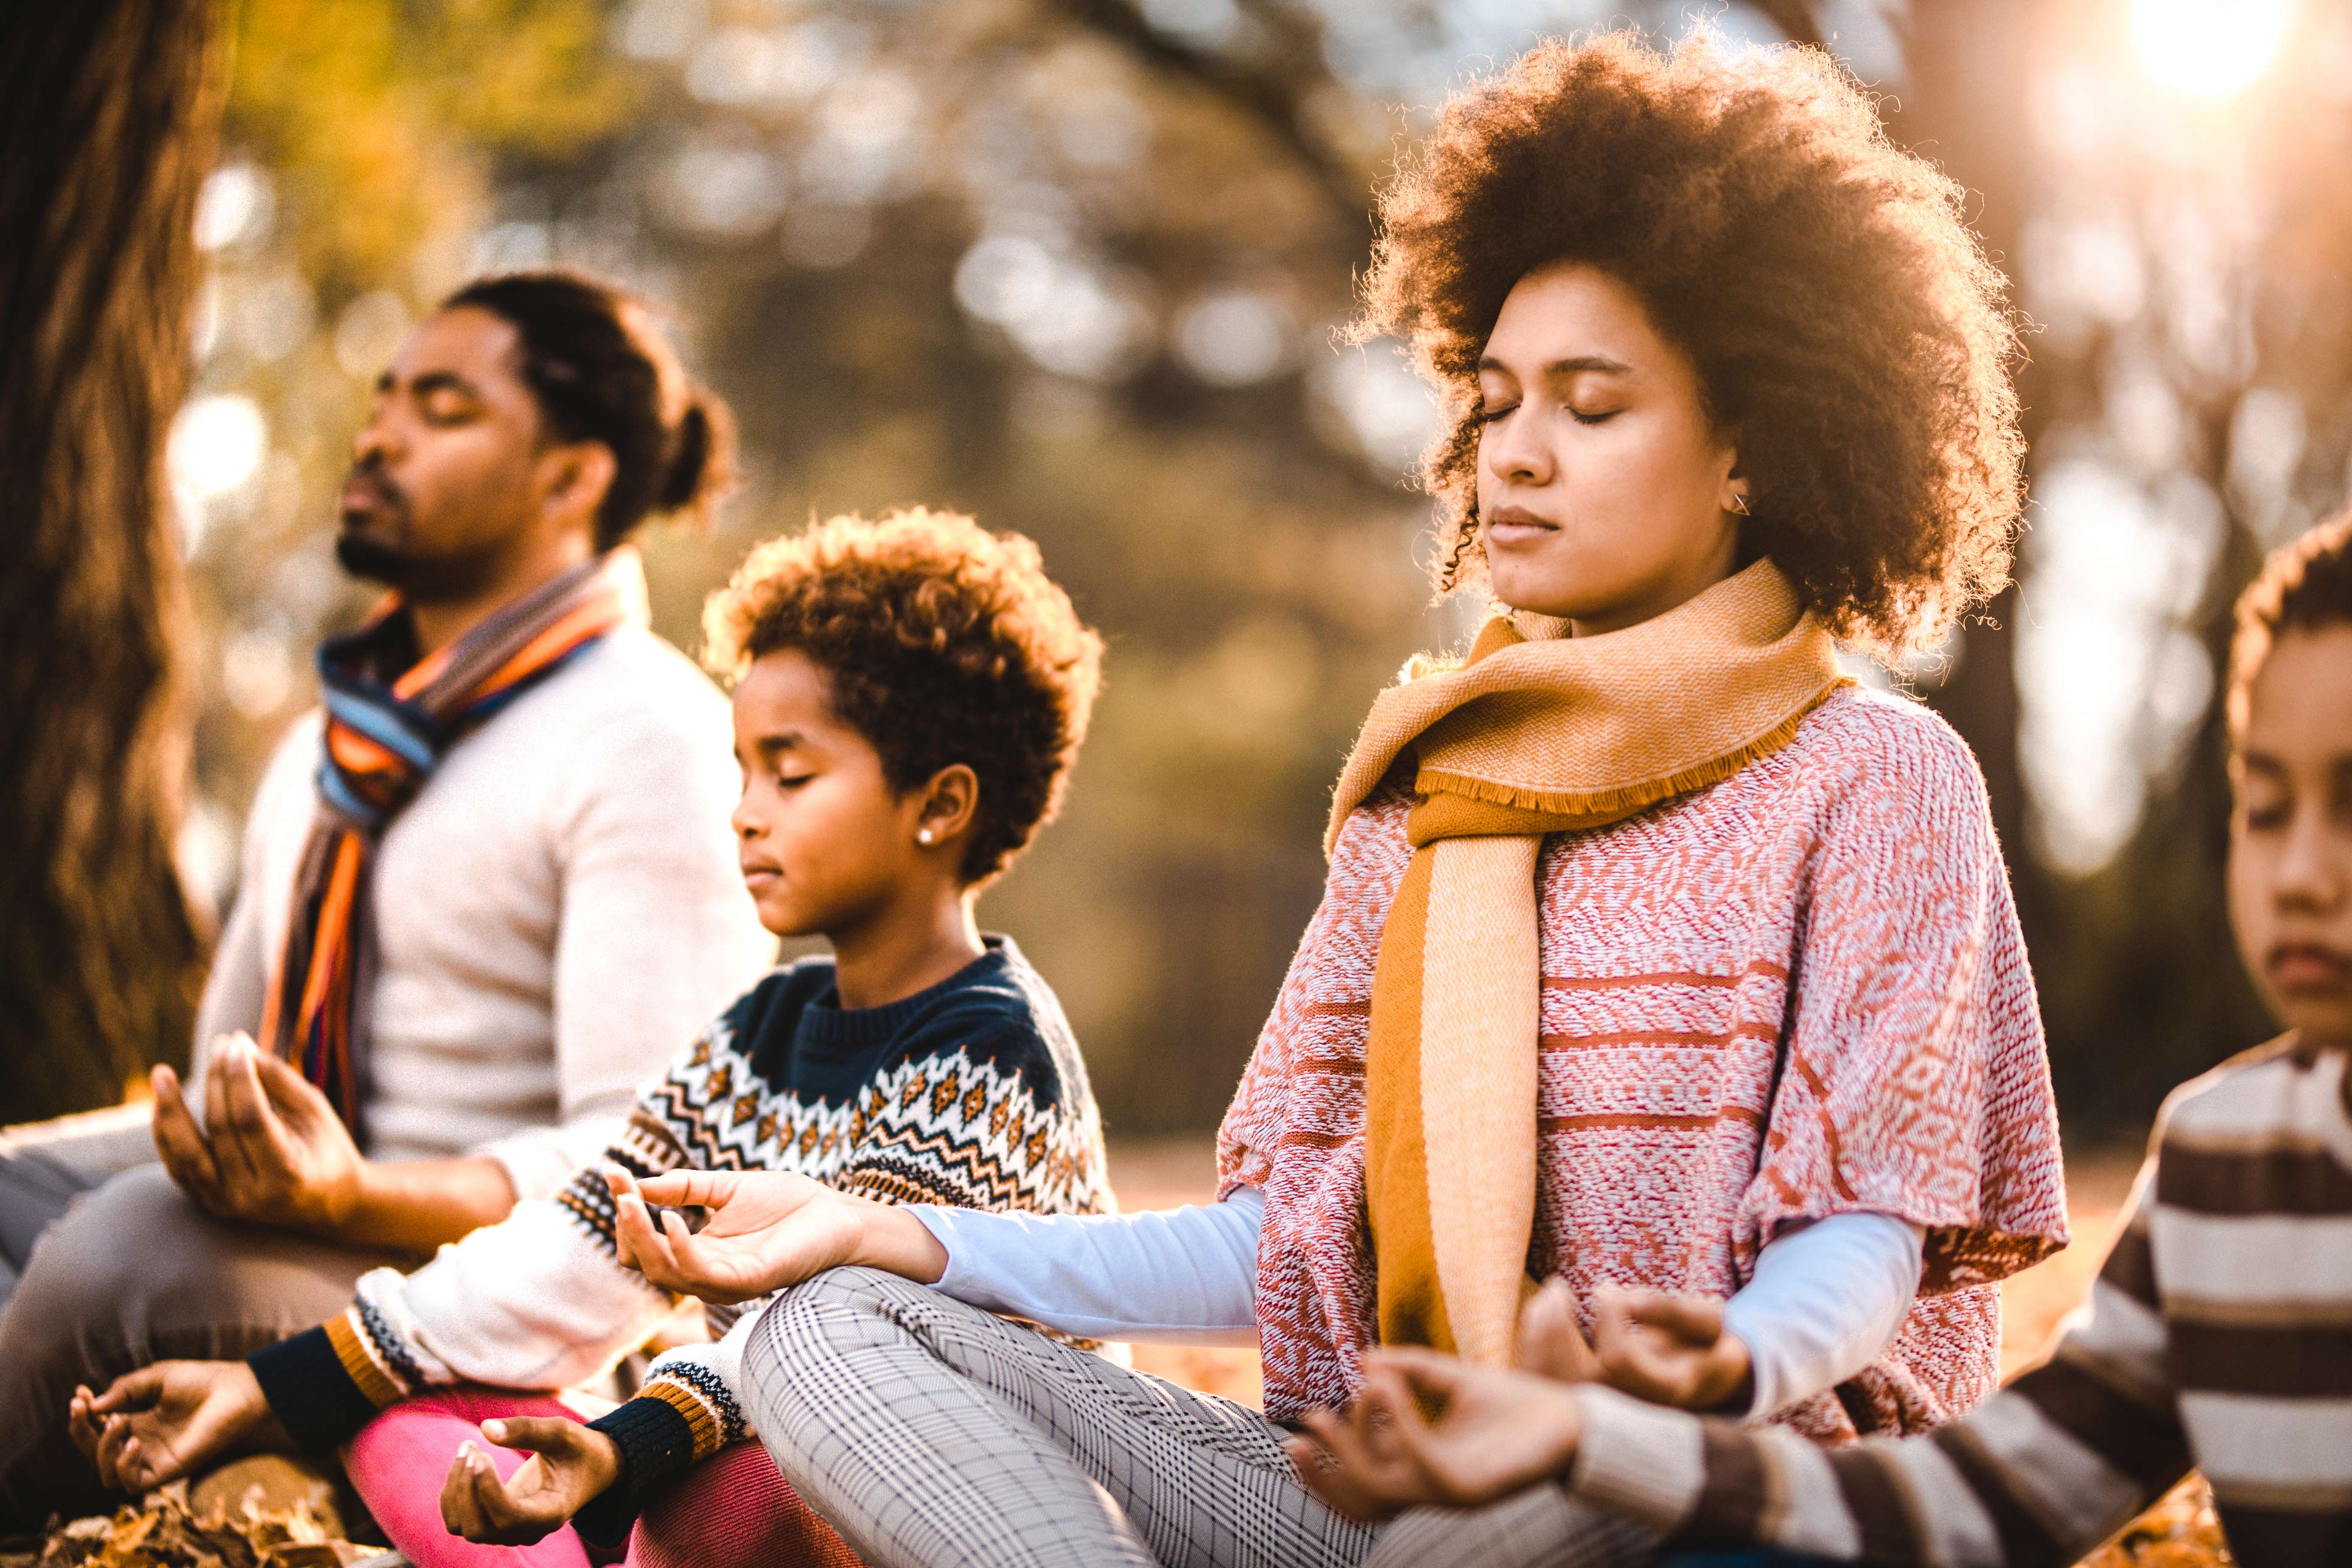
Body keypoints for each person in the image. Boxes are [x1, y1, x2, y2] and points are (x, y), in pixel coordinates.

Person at [503, 28, 2070, 1568]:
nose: (1513, 456)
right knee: (817, 1323)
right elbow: (1284, 1242)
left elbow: (1868, 1233)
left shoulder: (1875, 776)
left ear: (1751, 449)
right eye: (1497, 397)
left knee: (1632, 1475)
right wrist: (877, 1228)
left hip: (1716, 1479)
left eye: (1589, 408)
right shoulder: (1427, 796)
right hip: (1392, 1502)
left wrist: (1690, 1384)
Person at [1287, 507, 2352, 1568]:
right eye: (2266, 809)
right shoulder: (2230, 1160)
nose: (2301, 874)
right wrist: (1586, 1436)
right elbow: (1986, 1507)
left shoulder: (1883, 774)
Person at [70, 509, 1116, 1568]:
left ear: (939, 805)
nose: (744, 813)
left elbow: (832, 1344)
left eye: (790, 776)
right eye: (741, 771)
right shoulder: (761, 1032)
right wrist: (267, 1391)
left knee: (741, 1491)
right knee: (406, 1415)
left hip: (945, 1501)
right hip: (729, 1434)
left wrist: (618, 1450)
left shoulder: (991, 1054)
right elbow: (578, 1243)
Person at [0, 270, 774, 1527]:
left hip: (501, 1296)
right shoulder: (332, 740)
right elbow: (228, 1065)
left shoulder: (652, 736)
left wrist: (351, 1199)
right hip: (286, 1228)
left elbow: (668, 1172)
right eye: (386, 399)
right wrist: (236, 1145)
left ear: (572, 478)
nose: (381, 433)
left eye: (444, 406)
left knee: (114, 1258)